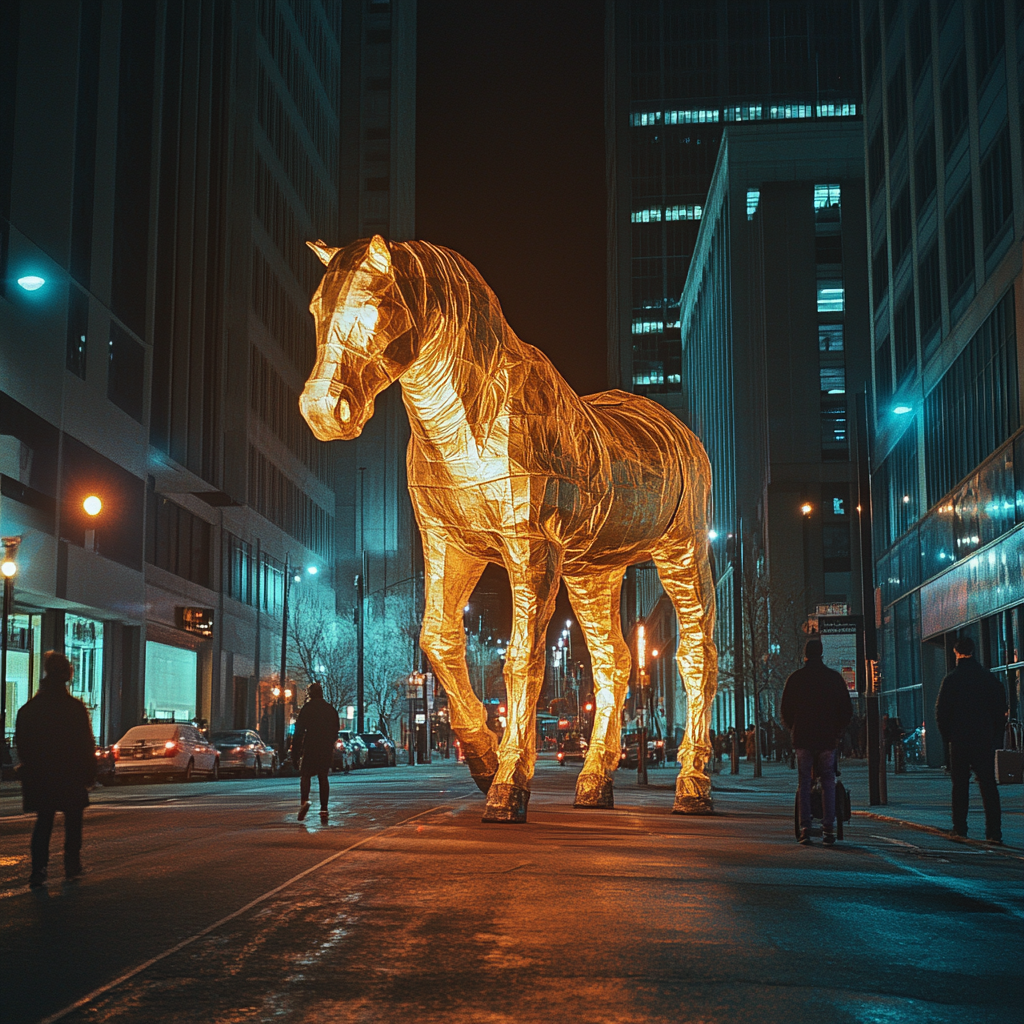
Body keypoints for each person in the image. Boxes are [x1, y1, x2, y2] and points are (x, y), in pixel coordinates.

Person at [14, 651, 97, 887]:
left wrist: (30, 768)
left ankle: (38, 870)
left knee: (43, 822)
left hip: (41, 775)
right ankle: (72, 865)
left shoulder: (29, 709)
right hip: (69, 773)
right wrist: (89, 773)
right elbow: (85, 743)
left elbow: (23, 745)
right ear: (66, 675)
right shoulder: (74, 709)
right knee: (73, 821)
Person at [781, 637, 853, 846]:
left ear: (805, 654)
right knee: (828, 780)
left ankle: (805, 828)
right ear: (821, 654)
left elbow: (785, 710)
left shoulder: (795, 679)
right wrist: (837, 731)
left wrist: (793, 728)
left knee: (804, 782)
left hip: (803, 737)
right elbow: (846, 710)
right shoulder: (833, 679)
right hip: (826, 738)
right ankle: (828, 828)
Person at [935, 636, 1007, 843]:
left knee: (960, 785)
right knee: (988, 785)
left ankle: (960, 828)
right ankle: (994, 832)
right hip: (983, 739)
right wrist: (995, 737)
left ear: (956, 653)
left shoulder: (951, 680)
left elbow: (942, 713)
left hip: (959, 739)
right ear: (974, 651)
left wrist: (947, 737)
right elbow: (1000, 710)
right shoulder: (988, 679)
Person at [289, 682, 340, 823]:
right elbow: (335, 731)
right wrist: (329, 743)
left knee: (305, 775)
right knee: (323, 777)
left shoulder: (307, 709)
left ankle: (304, 801)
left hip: (310, 746)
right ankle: (324, 809)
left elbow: (298, 733)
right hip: (325, 747)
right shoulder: (330, 710)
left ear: (310, 694)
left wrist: (295, 754)